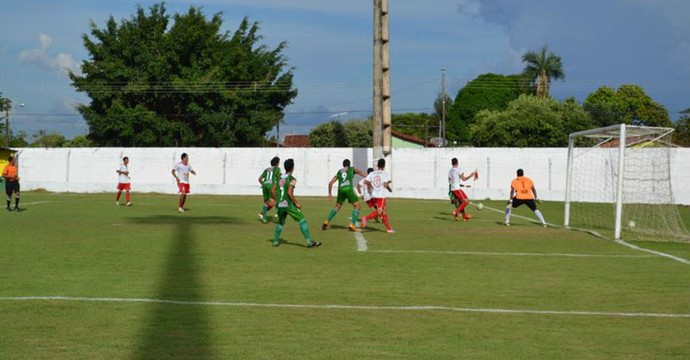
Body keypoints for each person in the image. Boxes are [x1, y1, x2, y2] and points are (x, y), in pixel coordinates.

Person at [274, 158, 321, 248]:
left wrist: (277, 200)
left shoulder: (279, 178)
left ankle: (276, 241)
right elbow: (289, 192)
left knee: (280, 223)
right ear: (292, 168)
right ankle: (309, 242)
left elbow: (273, 190)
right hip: (288, 204)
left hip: (280, 205)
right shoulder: (292, 179)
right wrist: (296, 203)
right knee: (302, 220)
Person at [322, 159, 368, 232]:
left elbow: (330, 183)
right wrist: (369, 176)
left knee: (337, 207)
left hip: (341, 190)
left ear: (343, 165)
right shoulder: (351, 169)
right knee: (357, 206)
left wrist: (330, 193)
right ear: (349, 165)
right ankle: (352, 224)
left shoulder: (339, 172)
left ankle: (326, 221)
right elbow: (359, 172)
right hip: (348, 188)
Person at [360, 158, 394, 233]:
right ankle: (365, 218)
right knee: (379, 212)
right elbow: (385, 184)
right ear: (384, 165)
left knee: (384, 212)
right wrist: (389, 189)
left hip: (373, 195)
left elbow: (366, 182)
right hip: (381, 196)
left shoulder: (372, 173)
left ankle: (389, 229)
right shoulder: (384, 173)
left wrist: (370, 188)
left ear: (377, 165)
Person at [258, 156, 281, 223]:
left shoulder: (266, 169)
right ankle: (277, 214)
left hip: (265, 185)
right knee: (274, 201)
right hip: (271, 185)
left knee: (266, 202)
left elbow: (259, 179)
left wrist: (263, 184)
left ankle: (264, 218)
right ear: (277, 164)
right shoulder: (277, 169)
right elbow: (279, 178)